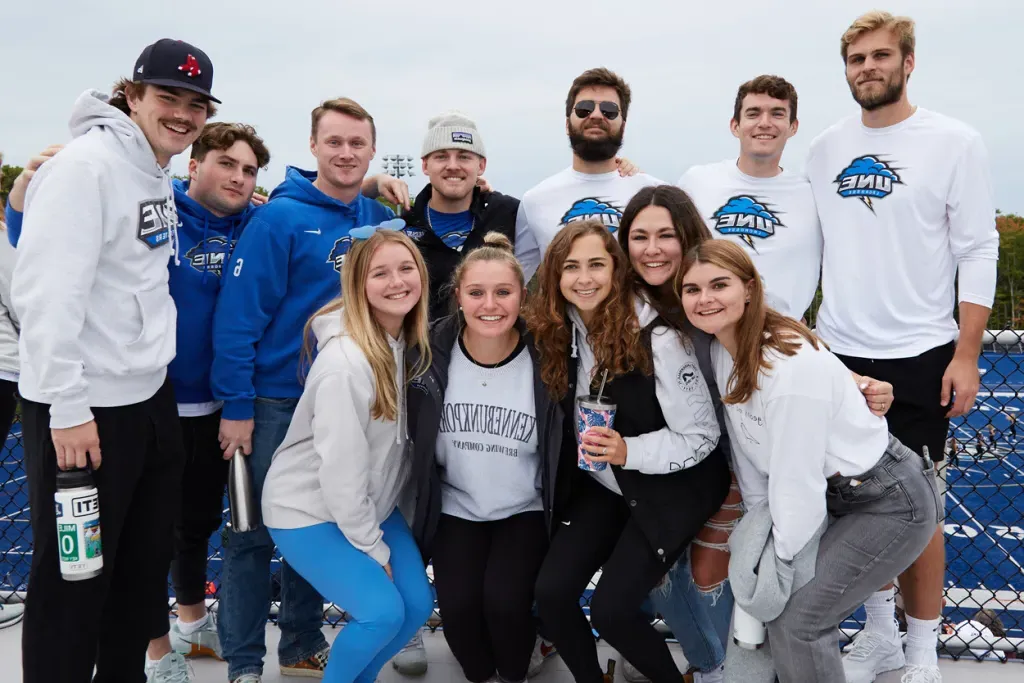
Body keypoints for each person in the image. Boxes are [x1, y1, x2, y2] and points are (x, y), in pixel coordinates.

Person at [614, 186, 893, 683]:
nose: (652, 248)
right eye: (639, 237)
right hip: (671, 453)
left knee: (723, 570)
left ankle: (738, 663)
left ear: (689, 238)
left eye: (665, 235)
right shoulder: (626, 301)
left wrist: (858, 384)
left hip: (745, 447)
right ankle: (714, 659)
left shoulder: (720, 284)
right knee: (664, 573)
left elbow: (789, 339)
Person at [11, 38, 216, 682]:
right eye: (166, 97)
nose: (181, 114)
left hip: (148, 402)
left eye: (195, 103)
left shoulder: (153, 167)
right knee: (72, 585)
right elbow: (45, 298)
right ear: (131, 95)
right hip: (86, 414)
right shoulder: (85, 168)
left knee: (137, 576)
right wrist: (67, 410)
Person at [806, 11, 998, 683]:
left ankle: (921, 656)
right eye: (856, 58)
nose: (868, 67)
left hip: (921, 354)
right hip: (840, 355)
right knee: (856, 509)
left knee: (920, 514)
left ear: (908, 62)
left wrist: (967, 353)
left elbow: (978, 248)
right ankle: (880, 637)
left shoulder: (954, 141)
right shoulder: (825, 148)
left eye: (880, 55)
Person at [678, 238, 940, 683]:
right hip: (840, 497)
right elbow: (751, 455)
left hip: (889, 501)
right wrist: (761, 534)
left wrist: (780, 565)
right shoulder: (725, 348)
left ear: (747, 288)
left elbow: (796, 480)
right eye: (691, 289)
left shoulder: (787, 364)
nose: (704, 299)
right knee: (789, 614)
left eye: (718, 285)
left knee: (800, 619)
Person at [211, 97, 396, 682]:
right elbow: (239, 319)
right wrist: (237, 406)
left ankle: (299, 644)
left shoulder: (375, 215)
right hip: (274, 402)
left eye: (357, 143)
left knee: (314, 528)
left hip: (343, 399)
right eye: (334, 142)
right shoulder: (279, 219)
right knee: (251, 536)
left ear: (370, 149)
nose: (345, 152)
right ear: (313, 146)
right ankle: (244, 661)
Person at [527, 220, 731, 683]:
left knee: (612, 611)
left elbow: (701, 436)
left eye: (597, 264)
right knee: (552, 594)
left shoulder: (657, 337)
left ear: (617, 270)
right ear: (554, 275)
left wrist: (627, 451)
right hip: (604, 484)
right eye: (571, 267)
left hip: (668, 486)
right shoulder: (562, 328)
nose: (584, 278)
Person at [261, 227, 435, 683]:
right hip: (308, 509)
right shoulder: (345, 364)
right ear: (358, 285)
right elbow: (340, 472)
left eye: (406, 268)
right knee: (380, 612)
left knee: (415, 605)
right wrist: (373, 549)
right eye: (380, 273)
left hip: (369, 501)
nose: (397, 281)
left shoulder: (403, 342)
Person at [406, 233, 559, 683]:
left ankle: (522, 659)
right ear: (458, 296)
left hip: (523, 507)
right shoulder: (429, 351)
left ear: (522, 295)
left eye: (503, 292)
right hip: (457, 505)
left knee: (505, 606)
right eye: (476, 292)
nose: (489, 304)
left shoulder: (547, 355)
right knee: (458, 614)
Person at [677, 75, 821, 321]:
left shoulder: (812, 194)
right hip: (709, 335)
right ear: (735, 125)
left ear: (793, 126)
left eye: (777, 114)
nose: (764, 123)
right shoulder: (697, 182)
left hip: (783, 339)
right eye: (753, 114)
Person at [514, 67, 663, 282]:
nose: (596, 115)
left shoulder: (654, 193)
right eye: (584, 109)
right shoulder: (535, 201)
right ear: (567, 124)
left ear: (623, 124)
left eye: (609, 110)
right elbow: (515, 283)